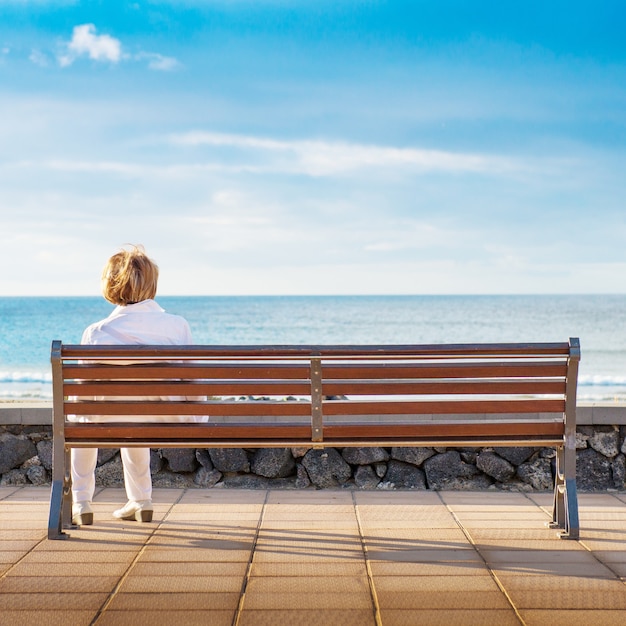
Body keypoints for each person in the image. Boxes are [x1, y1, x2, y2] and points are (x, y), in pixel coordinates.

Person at [71, 245, 198, 526]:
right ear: (151, 283)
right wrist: (196, 416)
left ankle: (81, 503)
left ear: (111, 286)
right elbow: (191, 384)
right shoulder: (177, 326)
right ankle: (140, 500)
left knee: (84, 420)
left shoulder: (96, 333)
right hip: (170, 420)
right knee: (135, 414)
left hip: (110, 419)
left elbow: (83, 396)